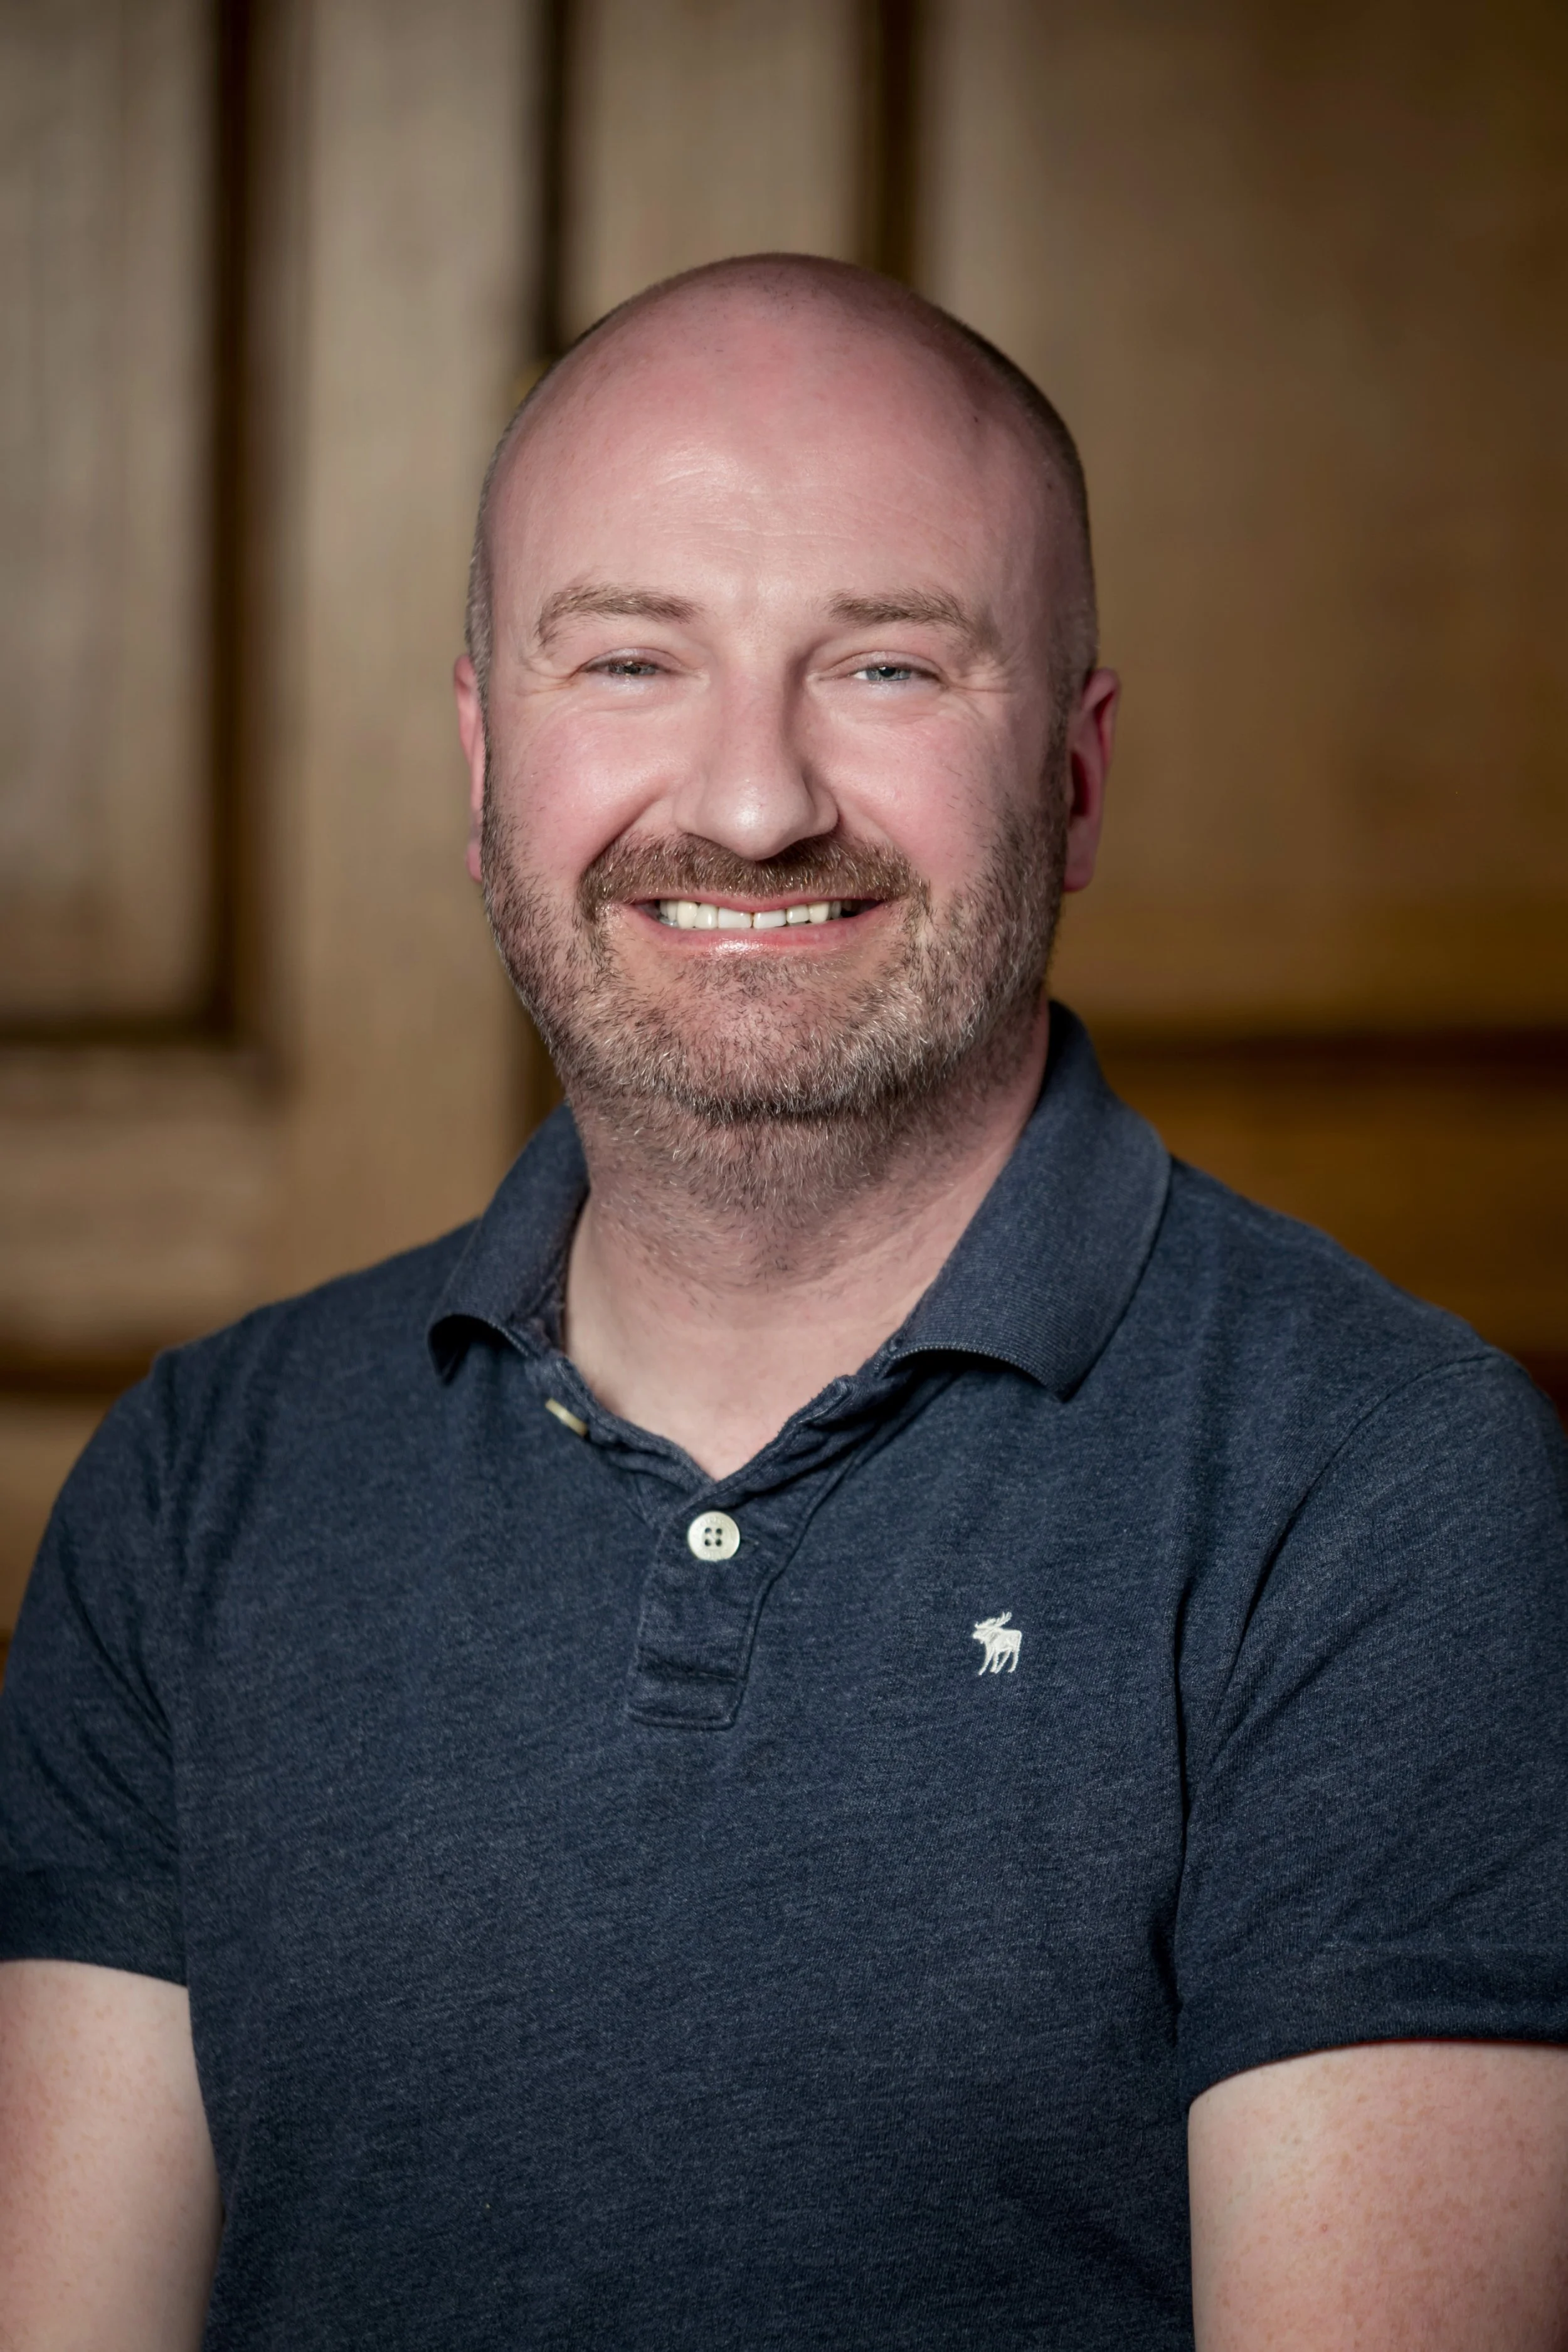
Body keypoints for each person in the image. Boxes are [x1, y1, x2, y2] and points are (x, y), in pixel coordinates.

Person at [2, 253, 1566, 2351]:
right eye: (630, 661)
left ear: (1078, 775)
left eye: (891, 669)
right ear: (484, 754)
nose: (751, 801)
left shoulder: (1383, 1490)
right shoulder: (196, 1489)